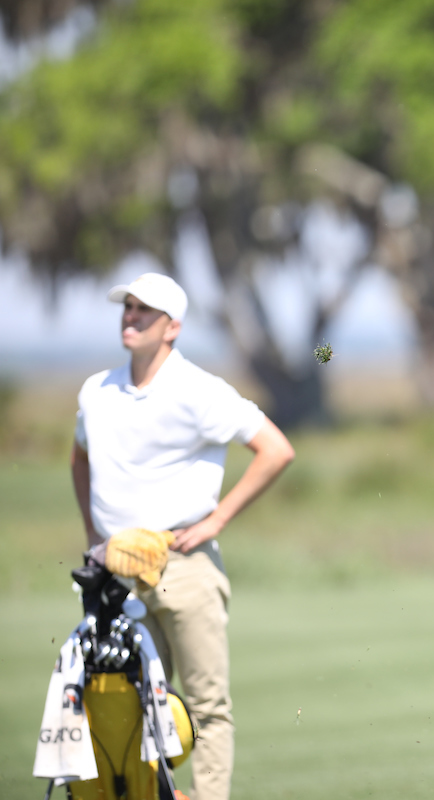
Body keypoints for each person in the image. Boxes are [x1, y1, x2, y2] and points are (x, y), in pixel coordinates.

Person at [70, 272, 295, 800]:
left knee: (204, 706)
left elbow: (275, 449)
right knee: (125, 704)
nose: (130, 317)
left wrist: (215, 521)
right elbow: (79, 458)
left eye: (143, 311)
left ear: (172, 327)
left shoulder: (200, 390)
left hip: (183, 564)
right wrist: (92, 532)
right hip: (114, 572)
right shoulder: (96, 391)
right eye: (126, 308)